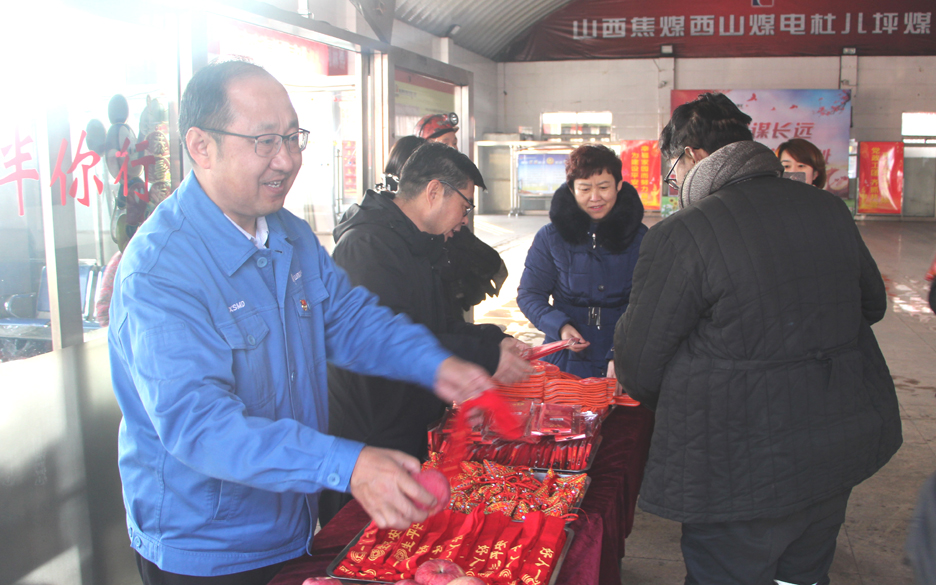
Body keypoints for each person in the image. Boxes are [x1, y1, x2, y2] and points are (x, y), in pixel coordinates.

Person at [108, 60, 495, 584]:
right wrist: (348, 465)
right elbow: (201, 427)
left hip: (292, 521)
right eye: (266, 141)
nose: (288, 160)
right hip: (205, 548)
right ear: (201, 146)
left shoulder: (288, 234)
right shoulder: (162, 270)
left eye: (293, 137)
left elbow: (350, 320)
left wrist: (435, 363)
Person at [614, 92, 902, 585]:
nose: (675, 180)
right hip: (833, 449)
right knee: (804, 574)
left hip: (737, 464)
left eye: (674, 167)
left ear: (695, 155)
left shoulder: (685, 232)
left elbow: (638, 366)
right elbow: (870, 305)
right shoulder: (827, 210)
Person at [320, 141, 531, 524]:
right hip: (370, 436)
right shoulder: (367, 247)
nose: (465, 218)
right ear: (434, 191)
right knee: (359, 547)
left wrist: (492, 340)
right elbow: (388, 340)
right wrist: (483, 359)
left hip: (407, 423)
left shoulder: (419, 244)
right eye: (465, 205)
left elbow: (436, 325)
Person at [517, 144, 646, 379]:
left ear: (618, 185)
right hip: (565, 357)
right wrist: (560, 327)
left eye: (604, 187)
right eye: (585, 189)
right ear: (571, 189)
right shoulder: (550, 237)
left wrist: (621, 351)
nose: (595, 197)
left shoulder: (641, 238)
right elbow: (529, 294)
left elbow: (649, 303)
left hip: (624, 357)